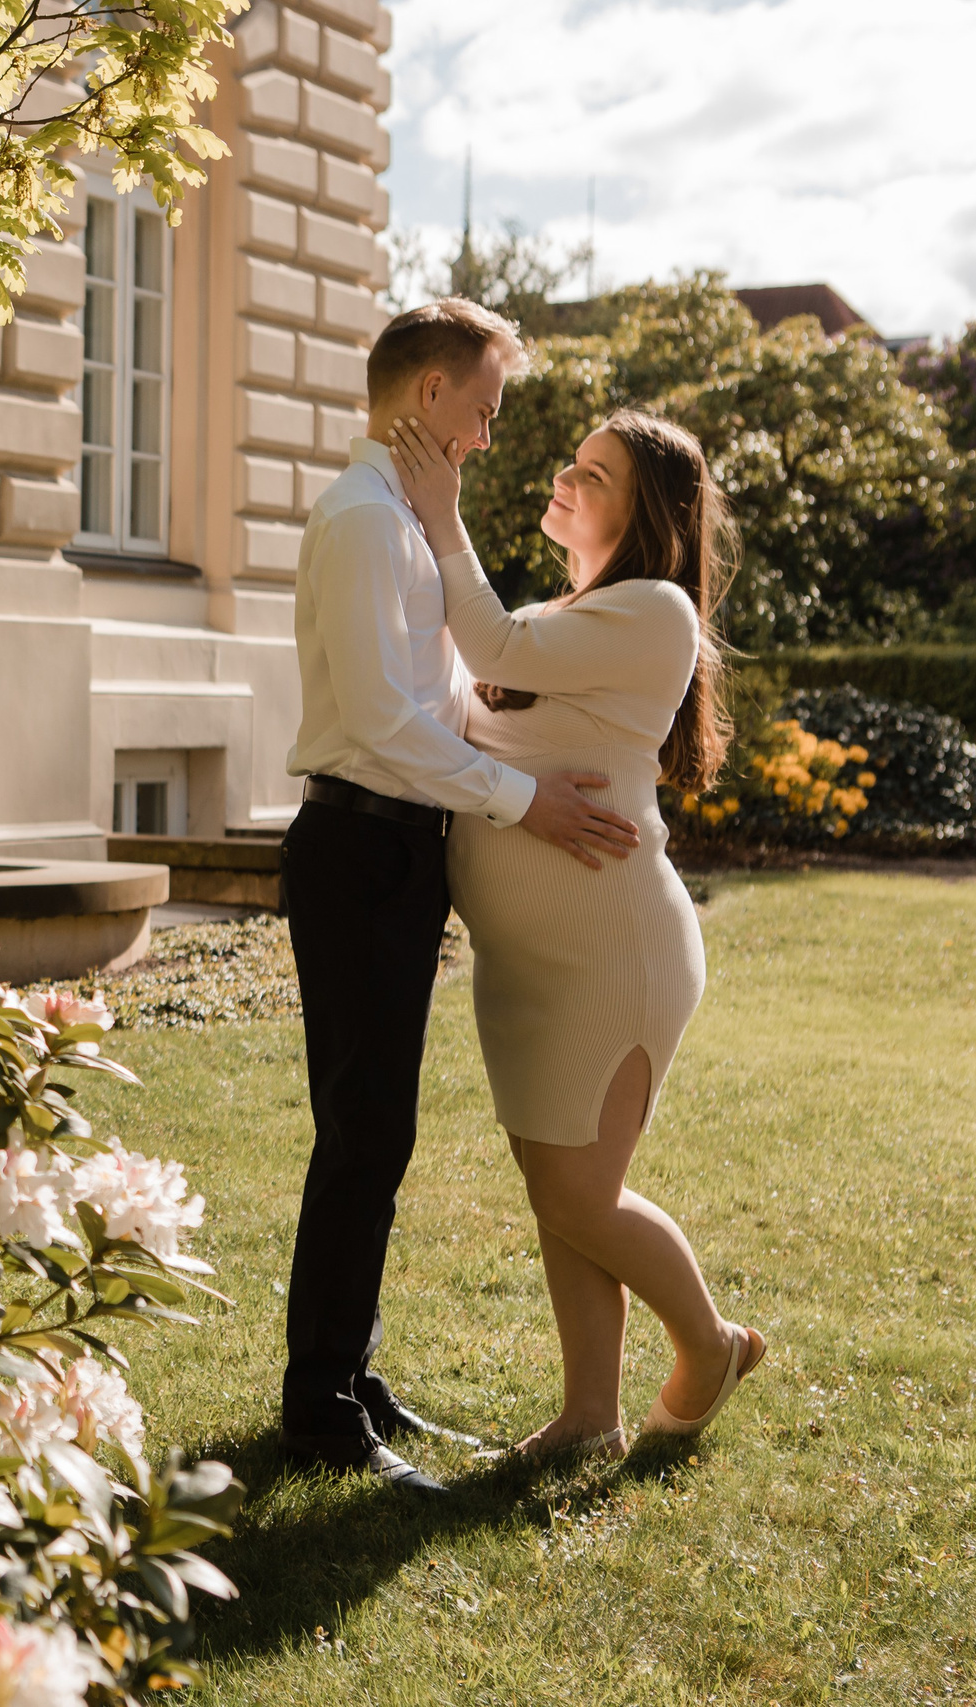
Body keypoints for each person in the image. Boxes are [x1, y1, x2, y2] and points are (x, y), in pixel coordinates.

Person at [278, 298, 640, 1495]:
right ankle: (320, 1408)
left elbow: (444, 697)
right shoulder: (360, 523)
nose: (485, 434)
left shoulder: (401, 519)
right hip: (358, 848)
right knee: (362, 1129)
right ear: (428, 393)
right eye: (481, 409)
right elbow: (382, 720)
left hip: (398, 851)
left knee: (377, 1127)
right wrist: (521, 801)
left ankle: (348, 1373)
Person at [382, 406, 765, 1460]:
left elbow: (491, 644)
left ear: (647, 516)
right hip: (527, 965)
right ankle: (591, 1414)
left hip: (611, 954)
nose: (565, 477)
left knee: (578, 1192)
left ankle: (711, 1344)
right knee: (561, 1192)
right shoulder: (568, 614)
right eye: (574, 463)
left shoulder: (655, 609)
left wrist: (440, 514)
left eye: (594, 474)